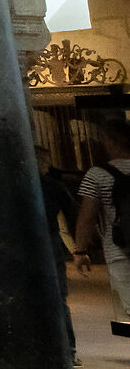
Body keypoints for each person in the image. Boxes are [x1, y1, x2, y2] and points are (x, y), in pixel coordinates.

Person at [72, 119, 130, 335]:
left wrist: (80, 251)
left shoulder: (97, 174)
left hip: (119, 250)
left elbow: (87, 216)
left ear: (111, 141)